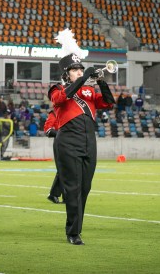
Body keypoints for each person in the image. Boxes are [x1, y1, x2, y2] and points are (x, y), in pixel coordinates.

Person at [49, 29, 115, 245]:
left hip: (89, 141)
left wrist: (102, 81)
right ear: (66, 73)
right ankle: (73, 232)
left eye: (80, 69)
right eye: (75, 70)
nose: (78, 72)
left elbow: (108, 102)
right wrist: (84, 77)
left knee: (85, 188)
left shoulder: (88, 92)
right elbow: (61, 100)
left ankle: (76, 229)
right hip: (67, 141)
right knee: (72, 187)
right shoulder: (57, 88)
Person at [44, 109, 63, 204]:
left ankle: (66, 195)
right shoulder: (55, 113)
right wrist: (62, 134)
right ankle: (54, 194)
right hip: (61, 142)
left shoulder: (73, 111)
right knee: (63, 169)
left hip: (72, 142)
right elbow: (48, 129)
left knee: (71, 169)